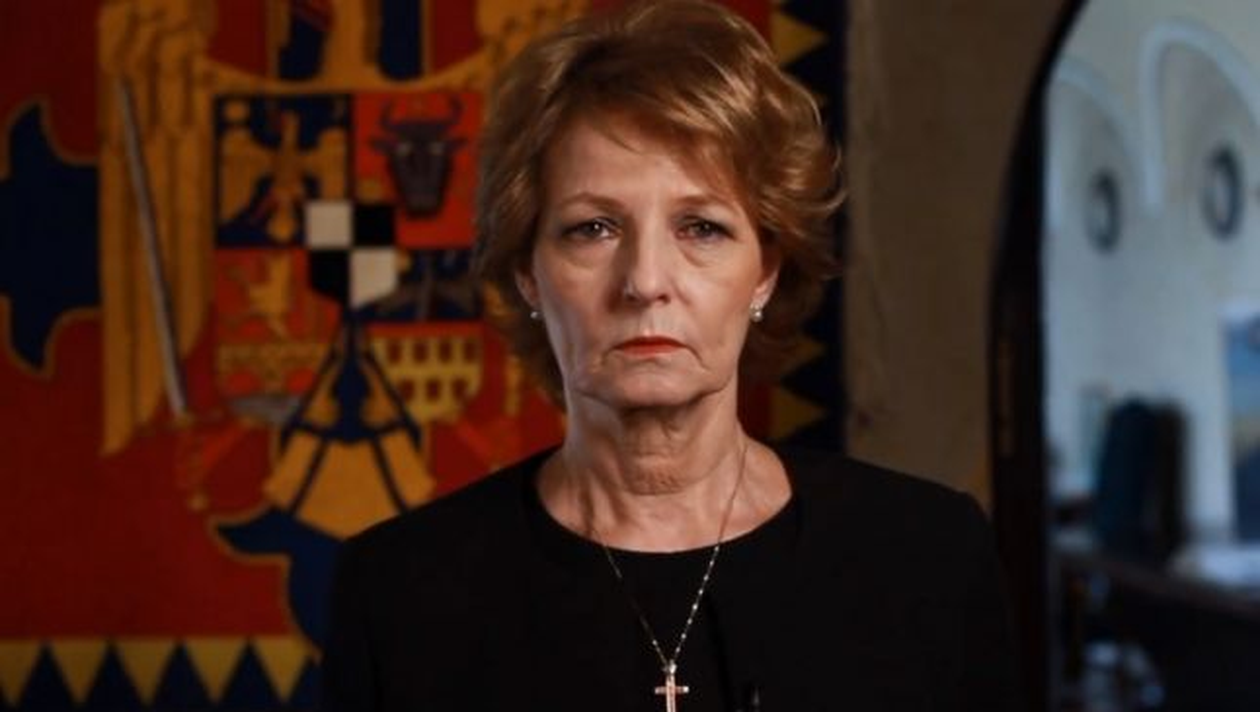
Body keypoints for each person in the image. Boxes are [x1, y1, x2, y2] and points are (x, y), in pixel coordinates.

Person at [321, 1, 1023, 710]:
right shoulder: (396, 592)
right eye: (593, 228)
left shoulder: (930, 556)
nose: (645, 280)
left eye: (701, 227)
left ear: (766, 271)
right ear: (528, 273)